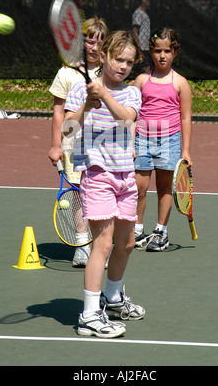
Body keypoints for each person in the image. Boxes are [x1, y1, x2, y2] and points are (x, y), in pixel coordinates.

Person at [64, 30, 145, 338]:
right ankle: (89, 314)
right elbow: (69, 132)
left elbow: (126, 119)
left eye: (129, 61)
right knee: (104, 243)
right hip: (97, 175)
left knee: (126, 243)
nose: (122, 66)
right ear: (104, 54)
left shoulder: (131, 92)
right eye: (117, 59)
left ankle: (112, 297)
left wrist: (105, 95)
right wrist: (87, 102)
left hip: (126, 176)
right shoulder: (79, 89)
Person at [48, 17, 108, 267]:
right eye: (88, 41)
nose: (92, 47)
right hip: (74, 143)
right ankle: (82, 245)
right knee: (78, 194)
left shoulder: (109, 72)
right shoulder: (66, 73)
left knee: (99, 194)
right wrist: (55, 145)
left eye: (98, 42)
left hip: (104, 145)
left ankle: (100, 246)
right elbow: (58, 110)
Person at [133, 27, 193, 251]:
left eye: (167, 50)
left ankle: (161, 232)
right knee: (139, 187)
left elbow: (186, 118)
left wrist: (186, 151)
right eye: (157, 50)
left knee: (165, 187)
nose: (162, 55)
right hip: (142, 139)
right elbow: (129, 113)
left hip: (170, 140)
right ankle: (137, 231)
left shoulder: (181, 83)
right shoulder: (140, 80)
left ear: (175, 52)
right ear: (150, 51)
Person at [132, 0, 152, 73]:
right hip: (141, 46)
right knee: (145, 67)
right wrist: (138, 46)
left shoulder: (145, 13)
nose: (149, 1)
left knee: (149, 67)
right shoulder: (138, 13)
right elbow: (135, 31)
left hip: (147, 46)